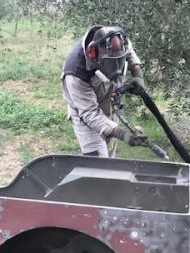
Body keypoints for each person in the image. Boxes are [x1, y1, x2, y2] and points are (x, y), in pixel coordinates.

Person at [62, 25, 146, 157]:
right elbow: (89, 113)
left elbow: (129, 52)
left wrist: (138, 73)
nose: (116, 69)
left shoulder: (119, 41)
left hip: (110, 104)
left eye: (119, 61)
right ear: (92, 53)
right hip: (85, 115)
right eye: (111, 63)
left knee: (109, 161)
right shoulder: (75, 72)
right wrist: (122, 134)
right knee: (98, 164)